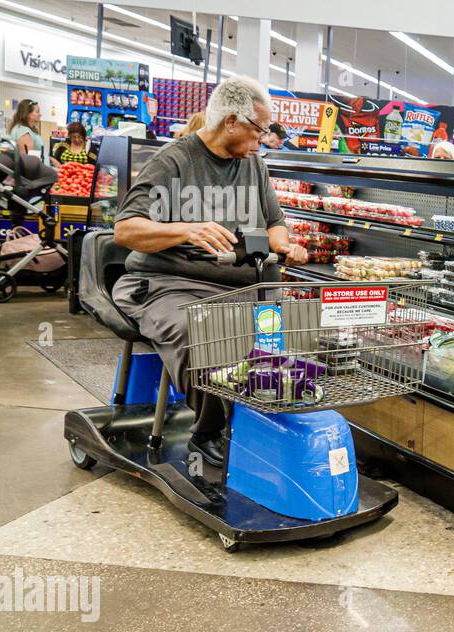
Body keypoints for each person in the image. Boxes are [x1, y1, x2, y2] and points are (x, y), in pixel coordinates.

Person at [110, 76, 308, 467]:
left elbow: (274, 222)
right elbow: (125, 229)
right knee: (204, 332)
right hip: (169, 284)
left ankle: (268, 425)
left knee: (291, 331)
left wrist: (283, 243)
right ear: (232, 120)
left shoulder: (254, 167)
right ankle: (207, 432)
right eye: (258, 131)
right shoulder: (173, 162)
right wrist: (186, 229)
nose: (261, 142)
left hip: (242, 284)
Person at [8, 99, 53, 165]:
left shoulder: (27, 130)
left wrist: (50, 159)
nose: (40, 114)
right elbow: (27, 161)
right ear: (27, 114)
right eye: (37, 112)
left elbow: (37, 153)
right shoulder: (23, 131)